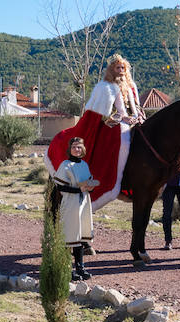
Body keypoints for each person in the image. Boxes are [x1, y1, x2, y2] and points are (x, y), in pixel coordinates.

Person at [44, 53, 143, 209]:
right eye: (118, 67)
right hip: (113, 121)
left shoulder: (131, 86)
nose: (121, 70)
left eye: (123, 67)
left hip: (133, 119)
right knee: (121, 140)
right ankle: (115, 180)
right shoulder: (106, 87)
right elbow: (109, 112)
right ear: (112, 69)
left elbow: (136, 106)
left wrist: (138, 116)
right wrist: (124, 119)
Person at [55, 136, 99, 280]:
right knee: (70, 236)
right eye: (74, 147)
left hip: (83, 203)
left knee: (79, 237)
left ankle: (80, 268)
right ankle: (67, 270)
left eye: (79, 147)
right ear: (70, 149)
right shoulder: (65, 165)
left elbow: (87, 184)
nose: (76, 149)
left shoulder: (84, 165)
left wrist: (90, 188)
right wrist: (79, 191)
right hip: (70, 203)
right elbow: (60, 186)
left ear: (83, 149)